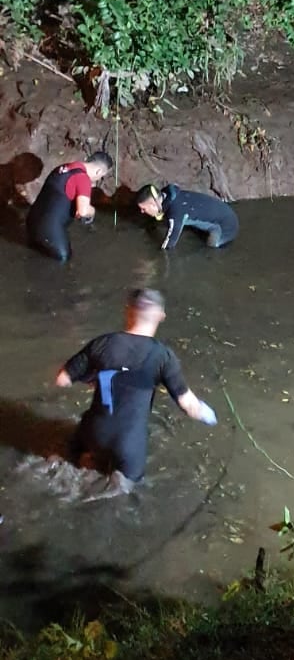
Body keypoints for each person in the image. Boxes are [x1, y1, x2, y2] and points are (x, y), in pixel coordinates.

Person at [56, 287, 217, 482]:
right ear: (160, 316)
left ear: (128, 311)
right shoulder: (163, 357)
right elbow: (189, 406)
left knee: (75, 453)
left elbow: (62, 379)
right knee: (123, 489)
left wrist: (92, 378)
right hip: (128, 445)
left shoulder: (103, 343)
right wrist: (208, 416)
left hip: (93, 432)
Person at [26, 151, 113, 262]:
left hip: (32, 223)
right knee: (63, 260)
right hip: (50, 231)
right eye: (101, 176)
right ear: (99, 171)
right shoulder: (83, 179)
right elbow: (83, 212)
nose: (99, 179)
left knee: (34, 255)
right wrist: (92, 211)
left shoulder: (63, 168)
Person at [135, 182, 239, 250]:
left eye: (144, 209)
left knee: (210, 248)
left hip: (226, 227)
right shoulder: (169, 195)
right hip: (224, 212)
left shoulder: (176, 212)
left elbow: (169, 245)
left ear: (153, 204)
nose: (142, 212)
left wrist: (157, 258)